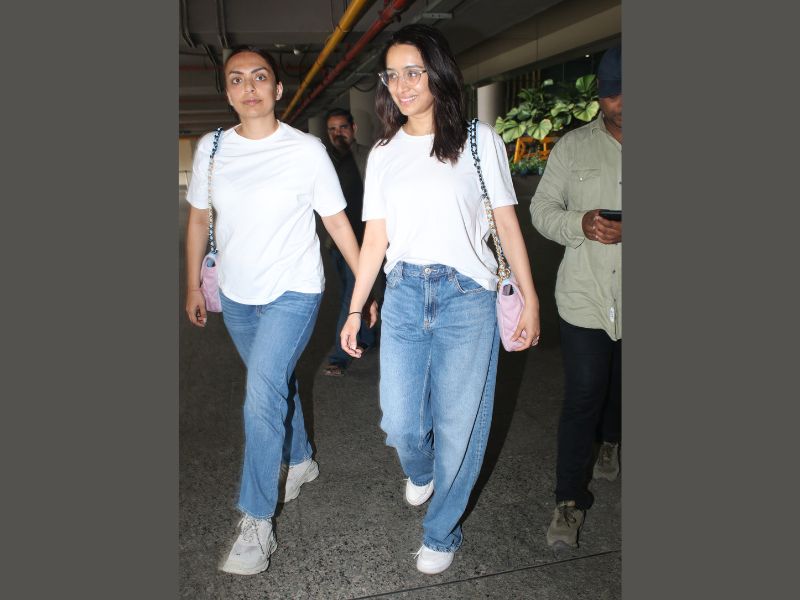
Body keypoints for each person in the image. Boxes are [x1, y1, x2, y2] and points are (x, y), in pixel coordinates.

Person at [340, 24, 541, 575]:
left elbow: (506, 224)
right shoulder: (384, 152)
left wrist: (529, 299)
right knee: (400, 422)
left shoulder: (478, 140)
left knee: (460, 425)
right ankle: (422, 468)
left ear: (438, 73)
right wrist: (356, 308)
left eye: (414, 72)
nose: (402, 85)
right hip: (405, 292)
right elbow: (375, 239)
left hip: (467, 297)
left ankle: (441, 531)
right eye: (393, 75)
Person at [184, 46, 374, 576]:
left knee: (261, 396)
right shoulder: (212, 148)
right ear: (227, 92)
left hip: (294, 291)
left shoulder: (305, 150)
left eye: (259, 76)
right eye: (237, 79)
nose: (249, 87)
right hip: (238, 296)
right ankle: (302, 459)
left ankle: (256, 520)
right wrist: (192, 284)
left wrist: (365, 287)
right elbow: (198, 219)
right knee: (276, 384)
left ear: (278, 88)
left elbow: (337, 222)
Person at [530, 45, 622, 548]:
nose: (623, 103)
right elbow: (542, 209)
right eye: (613, 92)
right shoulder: (572, 147)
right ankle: (568, 500)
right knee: (584, 393)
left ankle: (612, 441)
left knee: (620, 388)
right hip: (584, 297)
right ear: (600, 95)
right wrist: (580, 224)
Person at [321, 108, 377, 377]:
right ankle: (366, 337)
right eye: (332, 129)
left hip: (368, 241)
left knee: (351, 296)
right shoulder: (325, 161)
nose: (337, 133)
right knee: (352, 291)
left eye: (342, 127)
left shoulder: (369, 156)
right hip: (338, 244)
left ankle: (340, 356)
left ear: (353, 128)